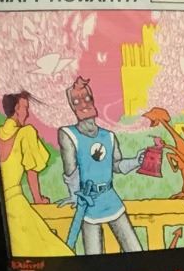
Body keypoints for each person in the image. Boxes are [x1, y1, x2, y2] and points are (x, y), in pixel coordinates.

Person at [57, 75, 143, 253]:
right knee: (93, 256)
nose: (83, 104)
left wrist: (136, 161)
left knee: (134, 248)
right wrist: (74, 195)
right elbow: (71, 171)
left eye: (87, 98)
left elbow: (116, 165)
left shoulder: (108, 136)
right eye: (77, 101)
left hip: (110, 199)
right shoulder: (68, 135)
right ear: (72, 105)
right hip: (88, 204)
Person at [0, 89, 60, 254]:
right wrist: (38, 199)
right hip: (16, 204)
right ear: (17, 109)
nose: (27, 113)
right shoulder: (26, 133)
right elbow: (32, 171)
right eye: (25, 107)